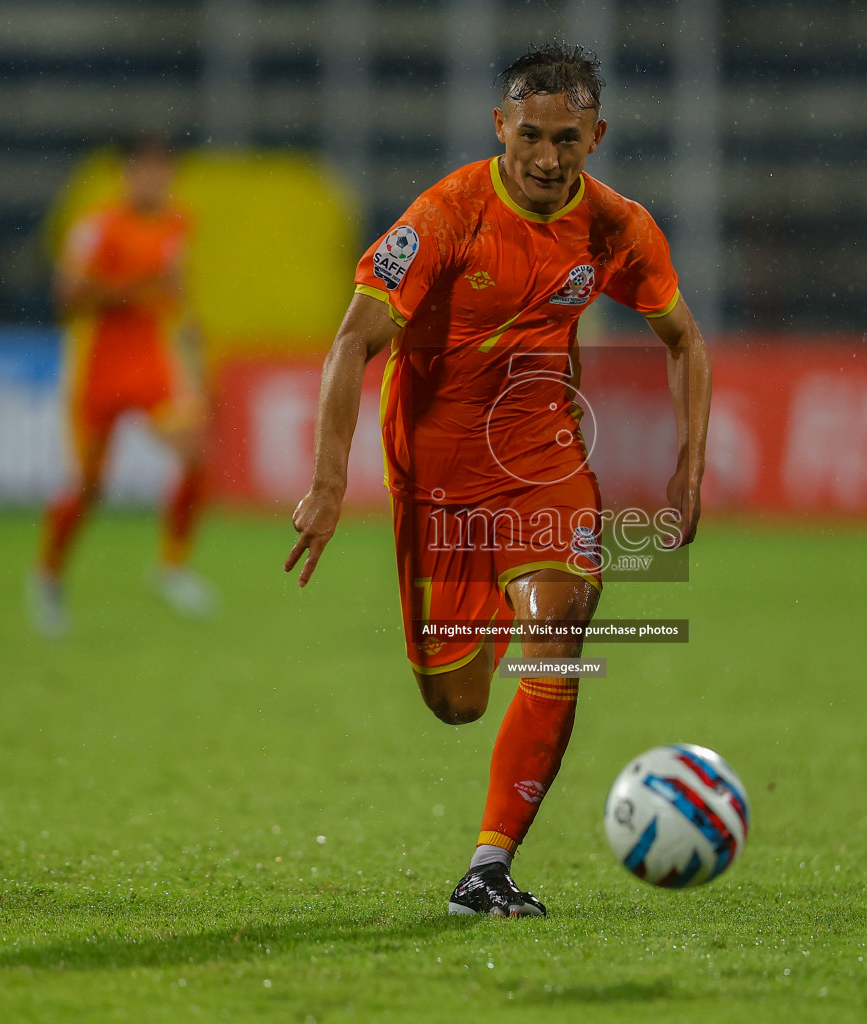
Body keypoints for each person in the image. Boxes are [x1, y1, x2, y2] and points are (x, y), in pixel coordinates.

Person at [283, 44, 712, 916]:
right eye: (530, 138)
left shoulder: (617, 227)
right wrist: (330, 484)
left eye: (567, 139)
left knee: (560, 626)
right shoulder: (445, 216)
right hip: (437, 483)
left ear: (596, 135)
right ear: (498, 128)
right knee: (457, 701)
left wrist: (688, 465)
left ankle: (488, 869)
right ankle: (491, 656)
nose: (549, 159)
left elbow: (685, 341)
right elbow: (350, 342)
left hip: (545, 461)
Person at [29, 135, 216, 637]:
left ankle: (171, 567)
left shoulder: (178, 223)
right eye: (146, 172)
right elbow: (68, 297)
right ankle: (48, 577)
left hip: (152, 364)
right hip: (98, 369)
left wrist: (191, 334)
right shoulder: (97, 227)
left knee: (196, 451)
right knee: (89, 488)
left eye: (164, 172)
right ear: (129, 175)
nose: (156, 181)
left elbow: (174, 287)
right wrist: (136, 290)